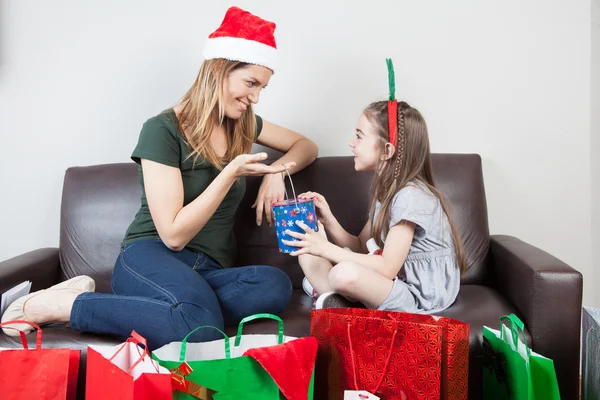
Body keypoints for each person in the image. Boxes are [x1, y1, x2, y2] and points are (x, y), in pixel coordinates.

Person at [1, 6, 318, 349]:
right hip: (151, 257)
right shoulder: (163, 130)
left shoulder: (242, 123)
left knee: (273, 284)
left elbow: (306, 145)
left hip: (208, 270)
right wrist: (228, 174)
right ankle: (65, 304)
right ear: (219, 71)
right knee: (198, 327)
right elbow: (173, 236)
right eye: (250, 83)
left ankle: (175, 311)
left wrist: (278, 172)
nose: (255, 97)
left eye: (262, 88)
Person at [285, 61, 465, 313]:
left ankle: (331, 293)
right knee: (306, 245)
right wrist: (327, 220)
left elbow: (388, 267)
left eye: (359, 136)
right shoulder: (387, 191)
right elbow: (360, 245)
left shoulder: (411, 196)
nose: (351, 143)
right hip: (391, 283)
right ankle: (333, 295)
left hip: (418, 297)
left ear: (387, 150)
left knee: (343, 273)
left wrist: (326, 249)